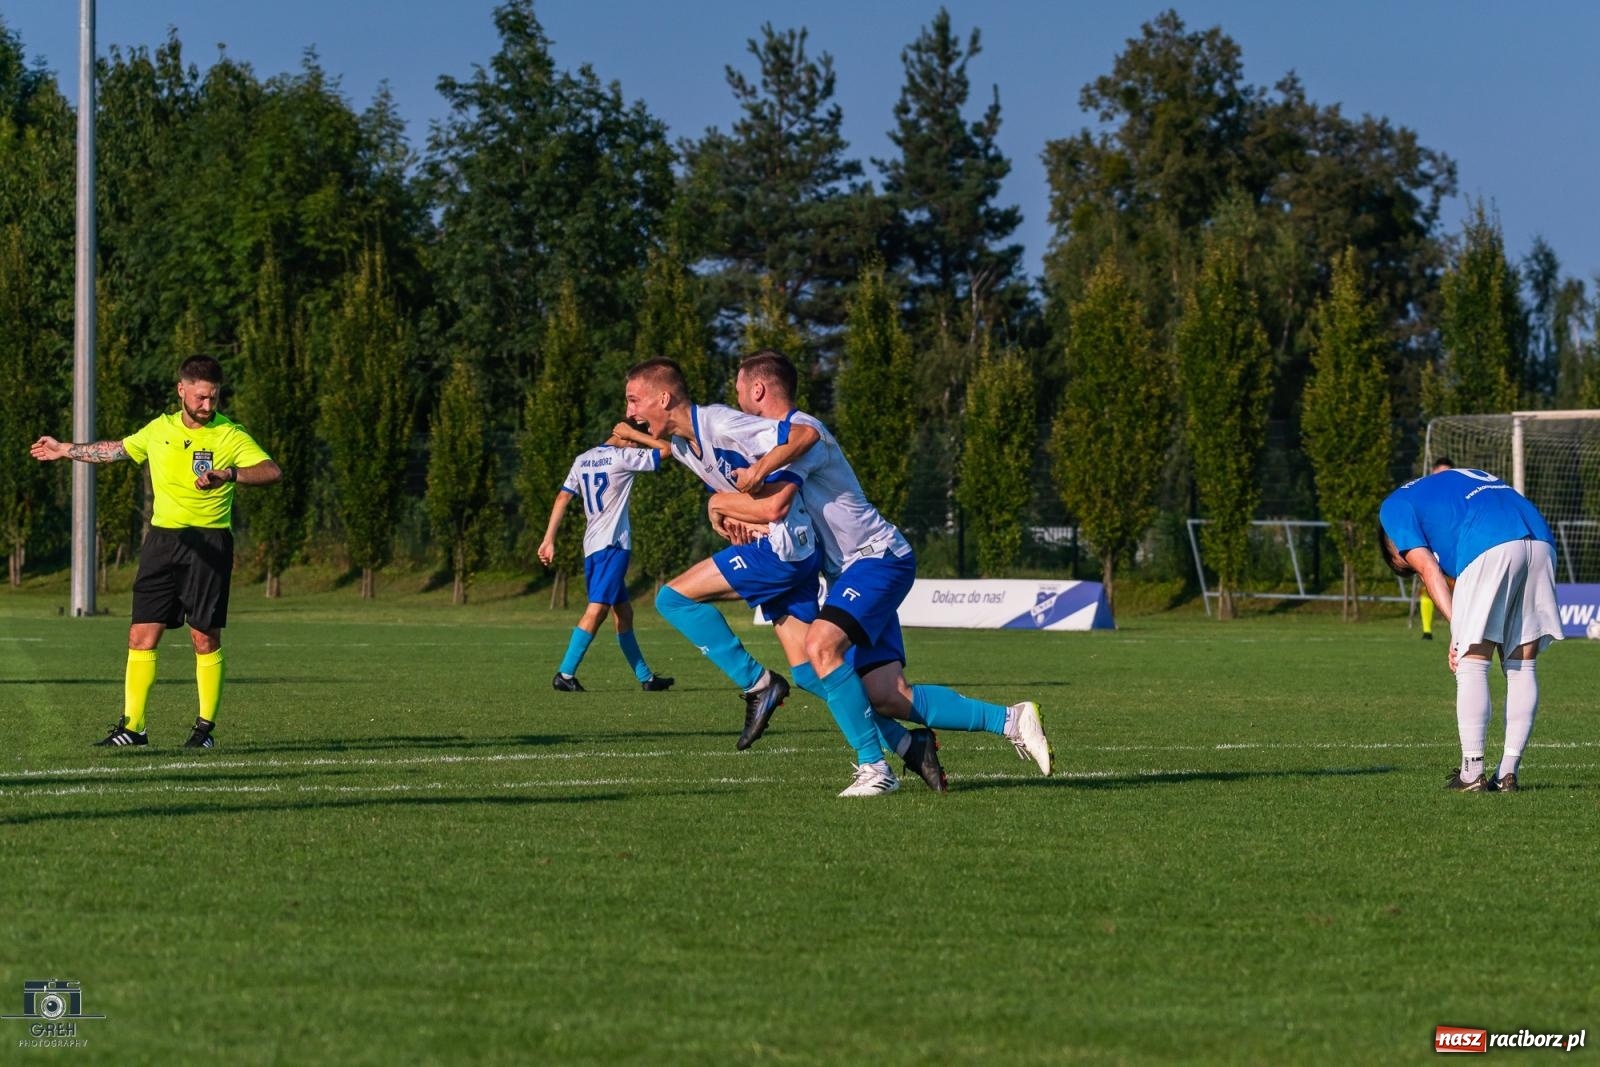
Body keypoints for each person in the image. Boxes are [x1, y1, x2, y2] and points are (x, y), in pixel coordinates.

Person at [709, 351, 1054, 797]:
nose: (735, 397)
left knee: (820, 646)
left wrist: (720, 503)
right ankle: (1010, 719)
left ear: (758, 389)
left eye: (738, 387)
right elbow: (782, 515)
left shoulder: (797, 435)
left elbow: (777, 496)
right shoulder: (783, 443)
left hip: (875, 560)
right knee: (887, 694)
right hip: (858, 571)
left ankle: (875, 768)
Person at [30, 355, 282, 749]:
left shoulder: (230, 435)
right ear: (182, 390)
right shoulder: (158, 430)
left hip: (209, 544)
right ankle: (133, 728)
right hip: (162, 543)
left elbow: (271, 471)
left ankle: (203, 731)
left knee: (204, 638)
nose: (207, 406)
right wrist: (65, 449)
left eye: (214, 398)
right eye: (201, 398)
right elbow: (115, 450)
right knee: (140, 634)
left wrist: (228, 474)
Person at [618, 357, 821, 750]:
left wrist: (749, 486)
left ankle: (758, 683)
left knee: (672, 599)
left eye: (633, 401)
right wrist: (726, 505)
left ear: (663, 398)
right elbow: (668, 451)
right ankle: (900, 738)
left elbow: (804, 434)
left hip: (780, 550)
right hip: (791, 550)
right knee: (814, 672)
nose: (629, 411)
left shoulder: (722, 423)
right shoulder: (681, 445)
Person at [1378, 465, 1564, 792]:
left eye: (1402, 563)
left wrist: (1459, 631)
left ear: (1392, 548)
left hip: (1490, 539)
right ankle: (1508, 773)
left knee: (1472, 660)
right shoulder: (1442, 489)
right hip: (1541, 539)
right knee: (1522, 664)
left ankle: (1471, 772)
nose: (1408, 559)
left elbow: (1429, 571)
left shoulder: (1393, 508)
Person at [536, 428, 674, 693]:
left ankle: (646, 678)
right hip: (613, 545)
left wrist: (548, 539)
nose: (637, 448)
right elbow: (667, 449)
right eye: (634, 442)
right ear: (625, 437)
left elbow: (563, 496)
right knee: (597, 609)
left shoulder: (582, 459)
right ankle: (565, 673)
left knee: (624, 612)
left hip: (593, 545)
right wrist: (636, 433)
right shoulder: (621, 457)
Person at [1417, 457, 1455, 640]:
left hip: (1456, 552)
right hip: (1433, 552)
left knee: (1463, 592)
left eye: (1446, 475)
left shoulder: (1459, 498)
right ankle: (1427, 631)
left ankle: (1463, 629)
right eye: (1438, 474)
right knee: (1427, 588)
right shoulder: (1424, 498)